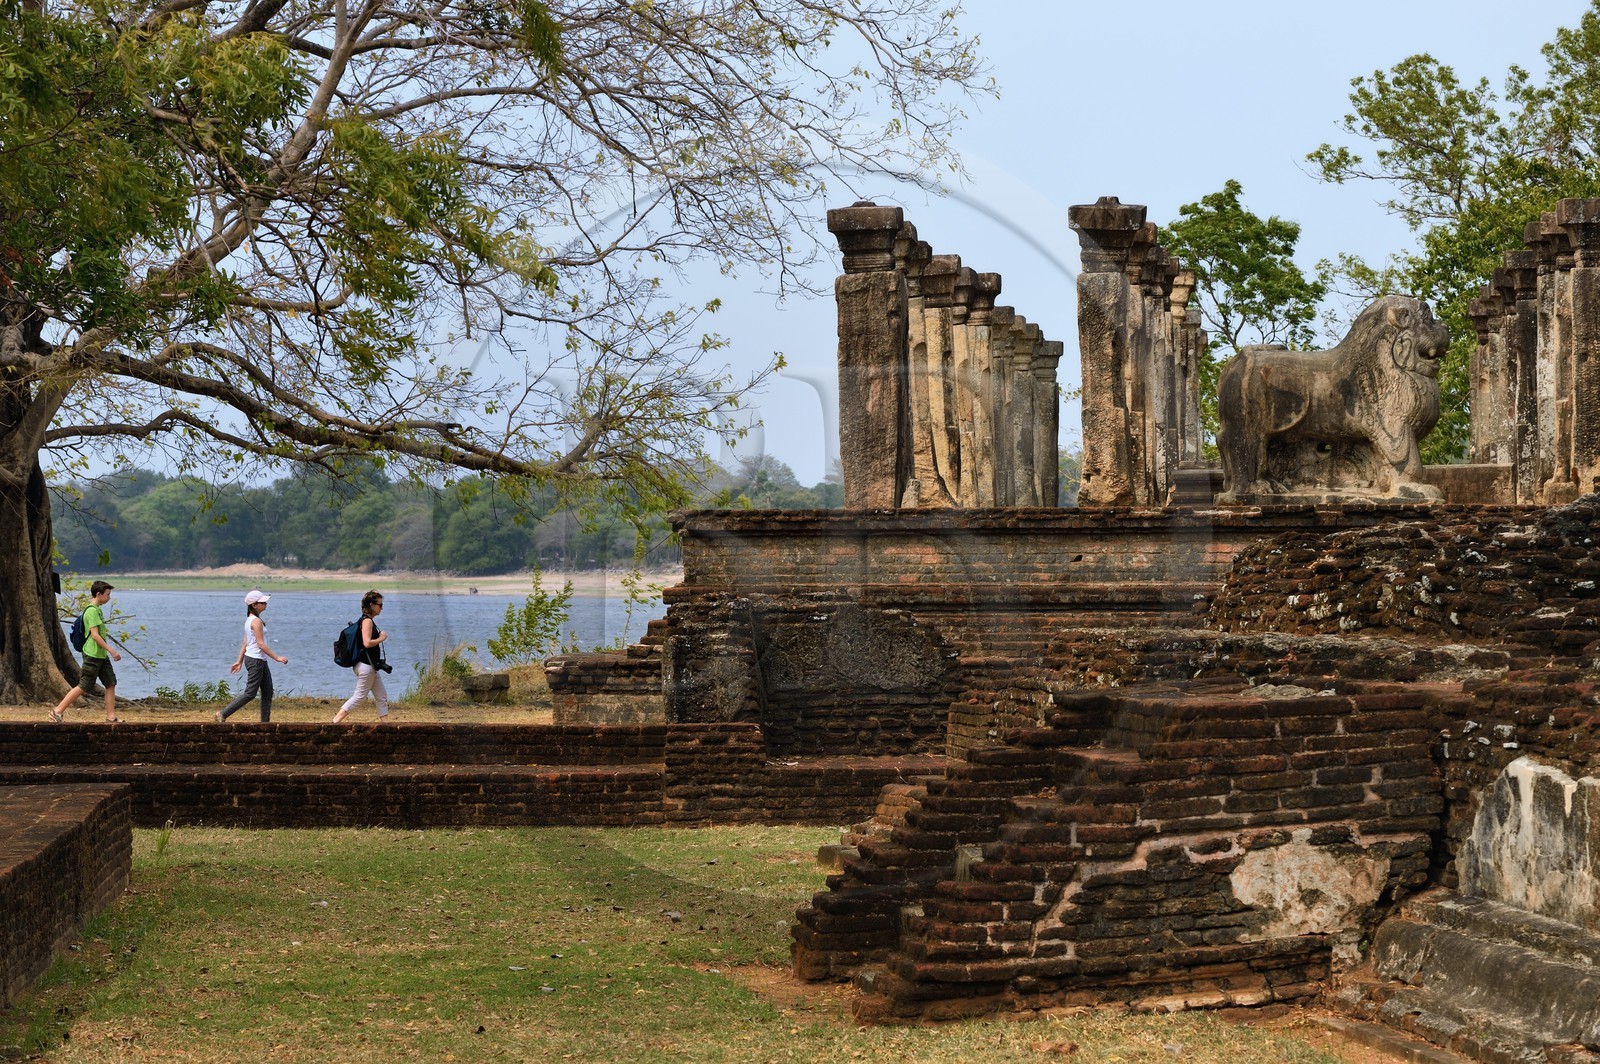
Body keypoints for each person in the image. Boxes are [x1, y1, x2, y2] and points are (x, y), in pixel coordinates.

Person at [50, 580, 122, 723]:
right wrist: (111, 650)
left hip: (101, 655)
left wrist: (106, 652)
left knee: (110, 683)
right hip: (93, 655)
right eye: (107, 594)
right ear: (98, 594)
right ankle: (57, 711)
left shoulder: (97, 610)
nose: (109, 597)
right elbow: (95, 635)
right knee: (84, 685)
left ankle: (111, 716)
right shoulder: (91, 611)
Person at [215, 589, 287, 722]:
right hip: (255, 660)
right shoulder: (256, 621)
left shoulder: (250, 620)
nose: (265, 604)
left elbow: (245, 642)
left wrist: (239, 661)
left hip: (259, 659)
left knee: (268, 692)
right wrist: (277, 658)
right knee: (250, 693)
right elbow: (260, 644)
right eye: (262, 602)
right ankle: (223, 714)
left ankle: (264, 723)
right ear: (254, 605)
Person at [333, 590, 390, 724]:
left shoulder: (366, 620)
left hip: (370, 665)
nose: (382, 608)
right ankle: (334, 722)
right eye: (380, 605)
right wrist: (382, 638)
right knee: (359, 697)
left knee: (381, 696)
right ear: (371, 605)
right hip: (366, 666)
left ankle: (387, 725)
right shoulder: (367, 621)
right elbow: (367, 643)